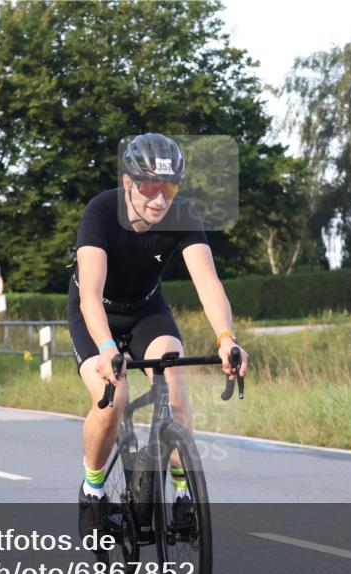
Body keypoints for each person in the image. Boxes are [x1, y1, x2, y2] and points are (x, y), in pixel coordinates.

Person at [69, 132, 249, 540]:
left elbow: (208, 282)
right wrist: (106, 349)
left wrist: (226, 338)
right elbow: (90, 296)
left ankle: (182, 492)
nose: (160, 199)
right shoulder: (100, 212)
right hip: (97, 315)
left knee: (174, 384)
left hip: (147, 312)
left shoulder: (181, 215)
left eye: (169, 188)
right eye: (150, 187)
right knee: (113, 399)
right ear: (128, 182)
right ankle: (93, 489)